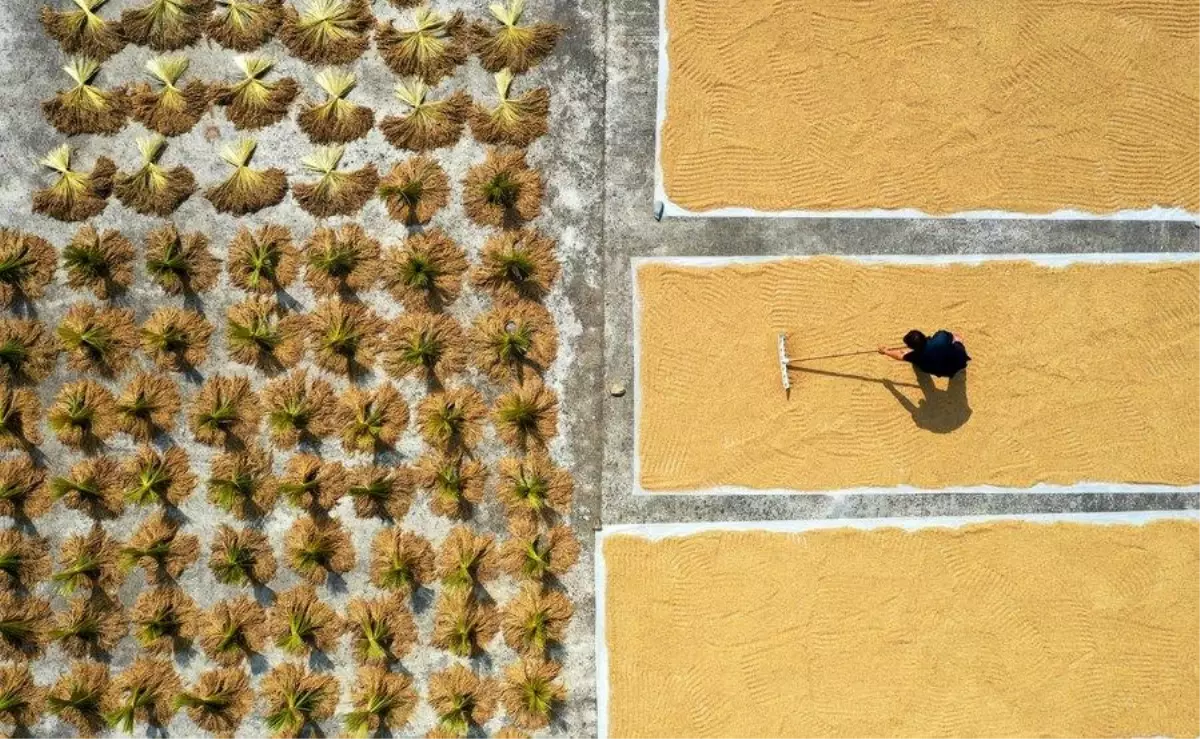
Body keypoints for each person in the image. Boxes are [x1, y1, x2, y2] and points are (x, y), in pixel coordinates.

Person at [879, 330, 970, 378]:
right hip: (960, 361)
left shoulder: (915, 356)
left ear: (911, 347)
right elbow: (951, 335)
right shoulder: (941, 337)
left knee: (915, 360)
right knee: (956, 338)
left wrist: (886, 352)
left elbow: (899, 356)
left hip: (943, 371)